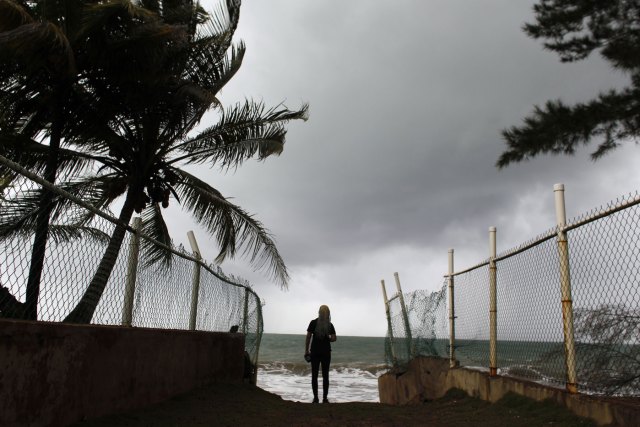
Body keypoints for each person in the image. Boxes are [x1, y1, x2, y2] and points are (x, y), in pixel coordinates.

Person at [304, 305, 337, 403]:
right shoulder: (328, 324)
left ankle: (316, 398)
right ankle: (324, 398)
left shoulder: (314, 323)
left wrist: (306, 350)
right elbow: (334, 338)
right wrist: (329, 338)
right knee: (325, 375)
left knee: (315, 375)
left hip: (316, 352)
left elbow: (308, 337)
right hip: (324, 352)